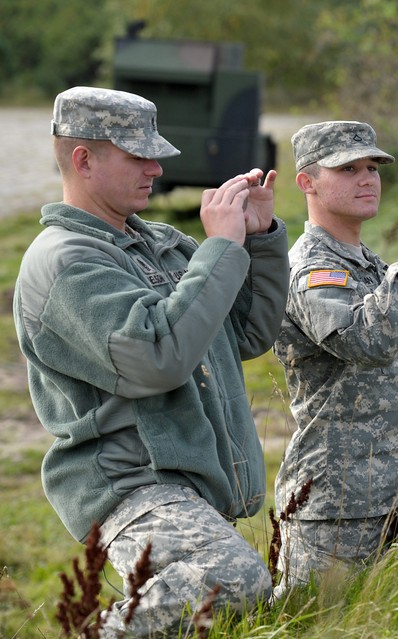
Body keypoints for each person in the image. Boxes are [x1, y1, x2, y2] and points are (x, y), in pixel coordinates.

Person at [13, 86, 289, 637]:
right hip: (133, 485)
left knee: (235, 609)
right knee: (230, 583)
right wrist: (221, 249)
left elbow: (248, 332)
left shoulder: (161, 243)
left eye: (155, 154)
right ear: (83, 159)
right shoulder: (64, 261)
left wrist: (257, 242)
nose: (156, 168)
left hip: (194, 481)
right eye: (138, 156)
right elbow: (158, 358)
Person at [272, 120, 398, 589]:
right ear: (307, 182)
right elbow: (368, 341)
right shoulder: (310, 267)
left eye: (372, 167)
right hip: (336, 512)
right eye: (347, 169)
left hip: (396, 499)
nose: (366, 178)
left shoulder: (363, 262)